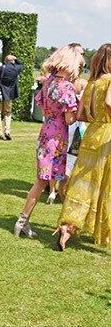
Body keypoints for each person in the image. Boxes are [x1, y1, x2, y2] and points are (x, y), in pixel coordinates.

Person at [14, 45, 83, 238]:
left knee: (51, 181)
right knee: (44, 181)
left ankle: (67, 223)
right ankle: (24, 221)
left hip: (46, 133)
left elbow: (44, 110)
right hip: (57, 137)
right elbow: (69, 119)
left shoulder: (48, 82)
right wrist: (80, 111)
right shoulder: (67, 87)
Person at [55, 43, 111, 250]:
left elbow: (80, 115)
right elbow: (109, 103)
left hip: (90, 135)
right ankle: (102, 231)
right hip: (107, 135)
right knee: (105, 184)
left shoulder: (91, 83)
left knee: (84, 182)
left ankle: (68, 227)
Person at [0, 54, 24, 140]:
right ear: (13, 61)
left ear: (5, 61)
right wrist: (16, 58)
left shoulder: (3, 68)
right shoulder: (16, 69)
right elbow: (21, 64)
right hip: (9, 95)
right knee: (8, 113)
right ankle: (7, 131)